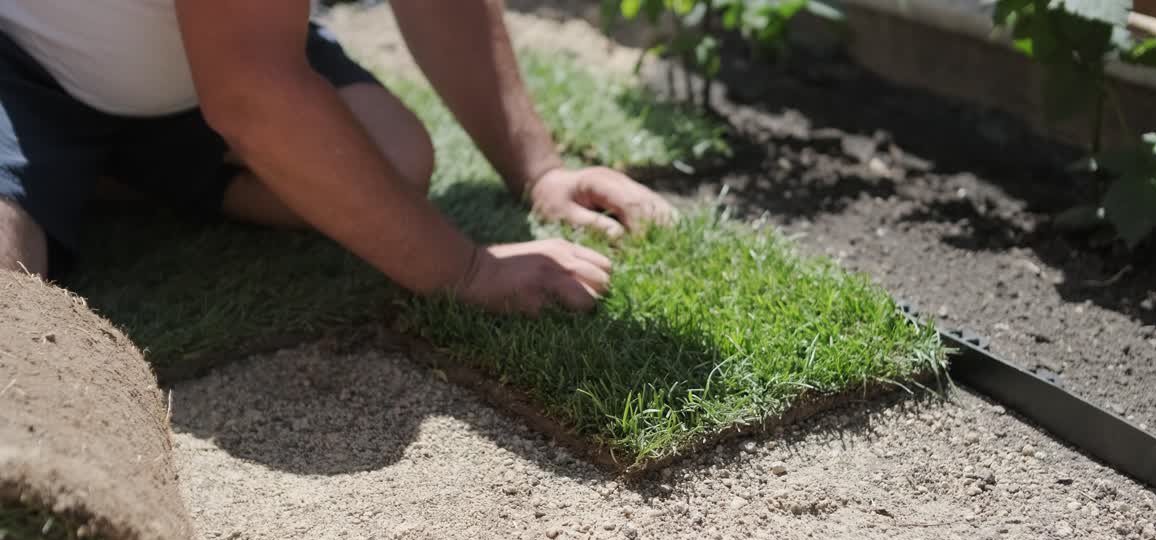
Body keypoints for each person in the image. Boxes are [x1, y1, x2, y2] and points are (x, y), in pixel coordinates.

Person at [0, 0, 675, 315]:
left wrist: (538, 170)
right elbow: (252, 91)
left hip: (201, 55)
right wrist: (463, 269)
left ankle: (112, 171)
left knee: (393, 159)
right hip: (20, 61)